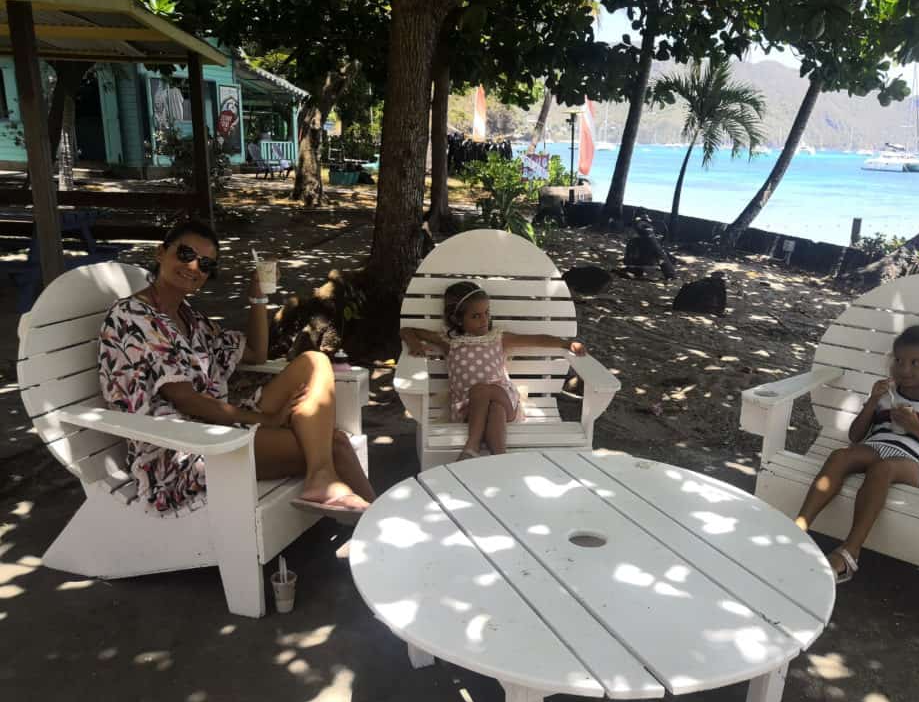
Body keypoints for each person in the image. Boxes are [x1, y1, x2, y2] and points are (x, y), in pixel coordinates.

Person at [98, 220, 374, 521]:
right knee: (334, 445)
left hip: (219, 428)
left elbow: (255, 353)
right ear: (161, 253)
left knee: (314, 361)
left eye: (205, 264)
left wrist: (257, 296)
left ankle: (336, 492)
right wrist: (266, 420)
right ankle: (372, 522)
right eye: (186, 253)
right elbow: (187, 400)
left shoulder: (190, 318)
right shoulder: (131, 316)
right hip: (180, 452)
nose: (194, 266)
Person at [794, 325, 919, 583]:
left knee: (884, 468)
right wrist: (873, 401)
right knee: (840, 456)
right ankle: (799, 527)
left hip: (912, 462)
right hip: (875, 446)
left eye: (915, 363)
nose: (903, 369)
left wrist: (916, 427)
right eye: (898, 360)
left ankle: (849, 552)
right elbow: (856, 436)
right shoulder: (887, 395)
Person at [400, 281, 588, 460]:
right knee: (492, 407)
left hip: (504, 398)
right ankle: (500, 459)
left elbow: (536, 339)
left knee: (484, 390)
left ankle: (471, 447)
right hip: (467, 408)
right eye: (476, 316)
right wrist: (414, 343)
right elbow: (407, 330)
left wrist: (567, 344)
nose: (484, 320)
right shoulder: (450, 342)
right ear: (457, 319)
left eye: (486, 313)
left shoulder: (497, 337)